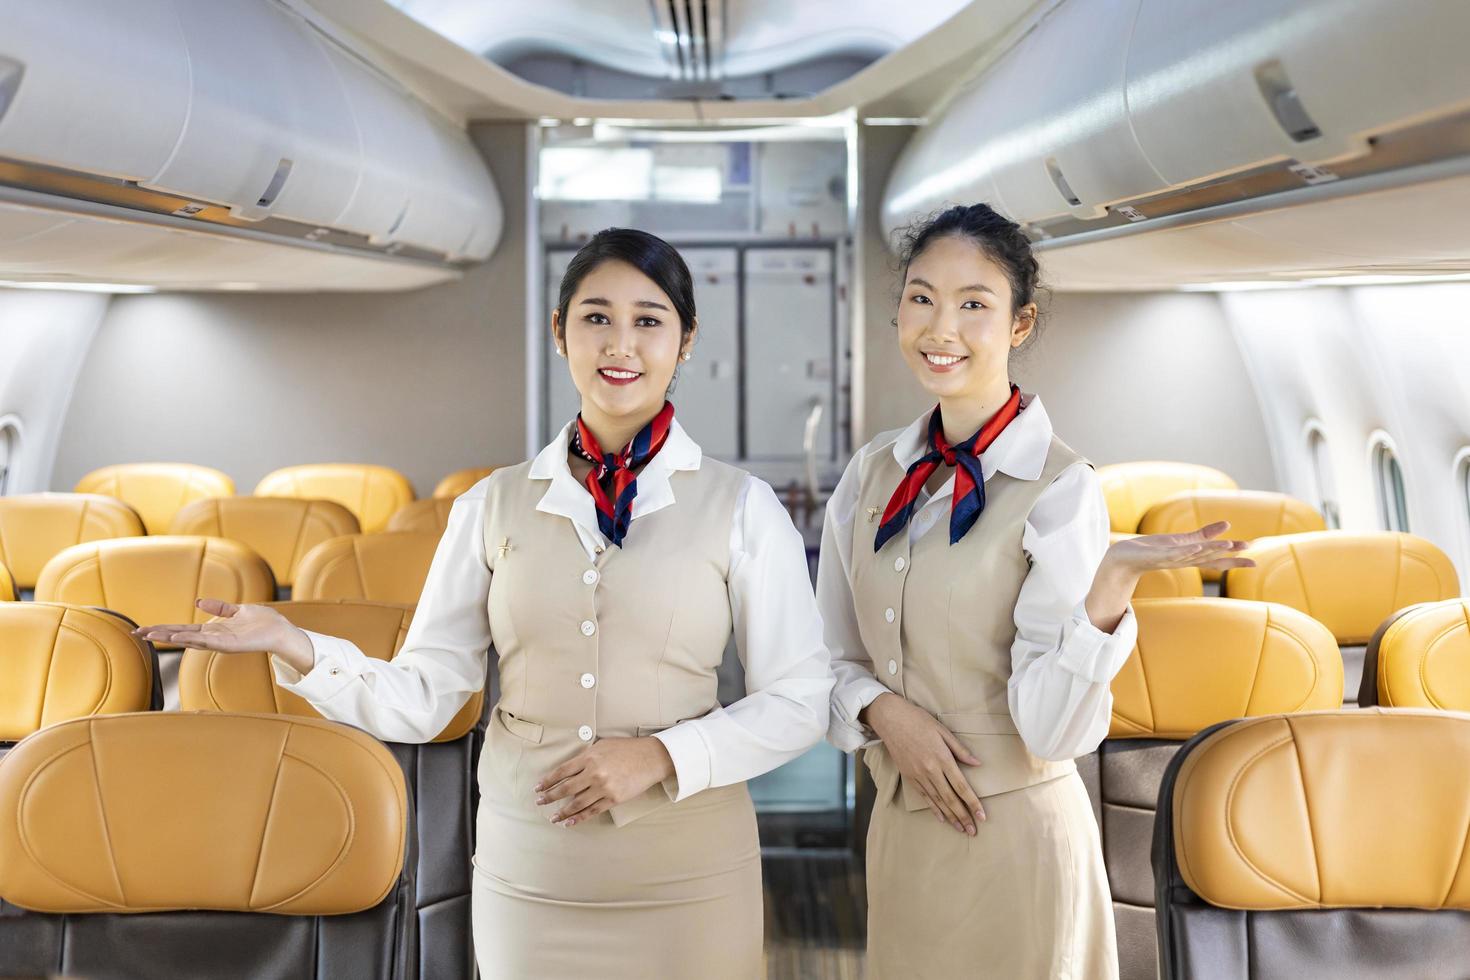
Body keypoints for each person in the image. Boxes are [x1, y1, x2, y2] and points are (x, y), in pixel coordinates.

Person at [137, 228, 834, 980]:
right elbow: (431, 696)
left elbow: (799, 699)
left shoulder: (743, 506)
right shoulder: (490, 505)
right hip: (530, 869)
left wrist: (662, 755)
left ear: (686, 340)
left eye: (649, 320)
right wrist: (295, 643)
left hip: (689, 869)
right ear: (560, 334)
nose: (620, 344)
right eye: (596, 317)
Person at [817, 203, 1253, 978]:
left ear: (1020, 325)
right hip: (902, 833)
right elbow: (828, 656)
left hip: (1016, 842)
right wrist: (887, 713)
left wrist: (1110, 582)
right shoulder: (871, 475)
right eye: (921, 298)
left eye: (974, 305)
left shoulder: (1060, 489)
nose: (940, 328)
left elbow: (1052, 733)